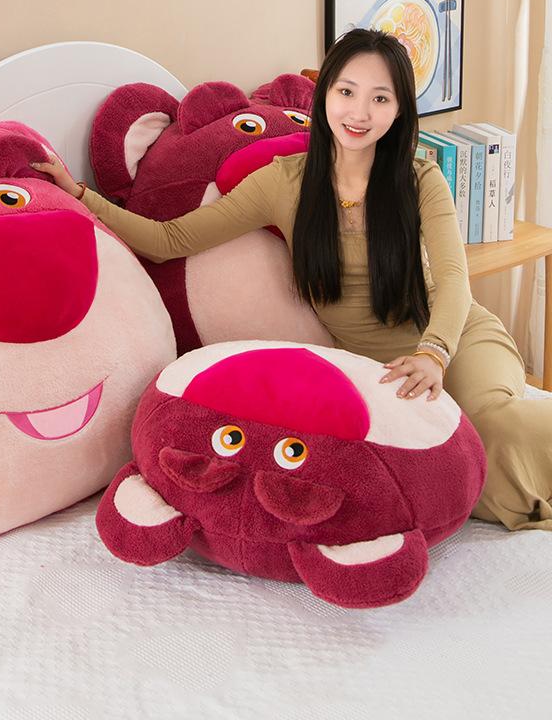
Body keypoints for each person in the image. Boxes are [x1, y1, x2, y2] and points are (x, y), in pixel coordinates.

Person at [32, 28, 551, 532]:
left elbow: (454, 278)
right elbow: (170, 240)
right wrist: (80, 196)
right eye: (346, 92)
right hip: (381, 371)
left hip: (455, 342)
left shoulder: (421, 180)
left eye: (380, 98)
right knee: (445, 468)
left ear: (398, 111)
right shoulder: (284, 182)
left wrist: (434, 354)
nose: (359, 112)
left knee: (493, 426)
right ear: (324, 96)